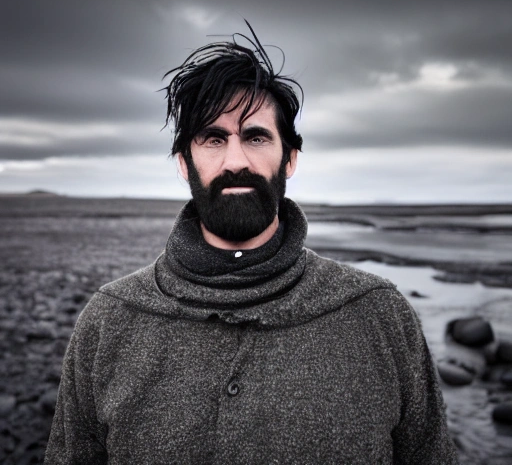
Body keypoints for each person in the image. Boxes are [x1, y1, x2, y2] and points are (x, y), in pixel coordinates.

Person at [45, 24, 459, 464]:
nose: (236, 160)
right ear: (185, 163)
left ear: (290, 158)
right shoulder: (110, 320)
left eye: (256, 137)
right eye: (213, 138)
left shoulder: (378, 313)